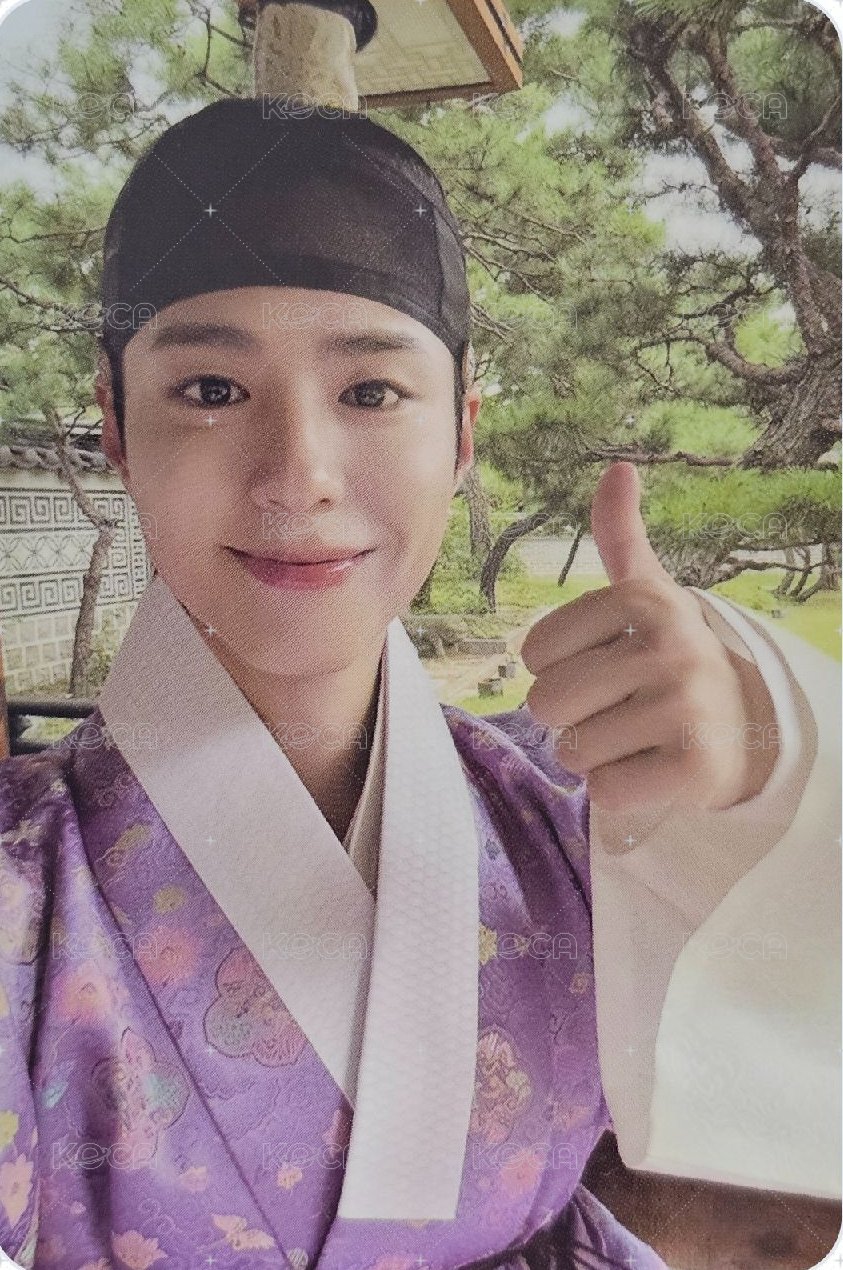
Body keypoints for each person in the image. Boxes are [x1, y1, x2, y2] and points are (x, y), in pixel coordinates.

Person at [0, 97, 838, 1270]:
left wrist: (776, 765)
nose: (298, 475)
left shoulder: (581, 809)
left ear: (461, 435)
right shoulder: (29, 890)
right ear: (116, 424)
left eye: (371, 391)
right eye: (211, 389)